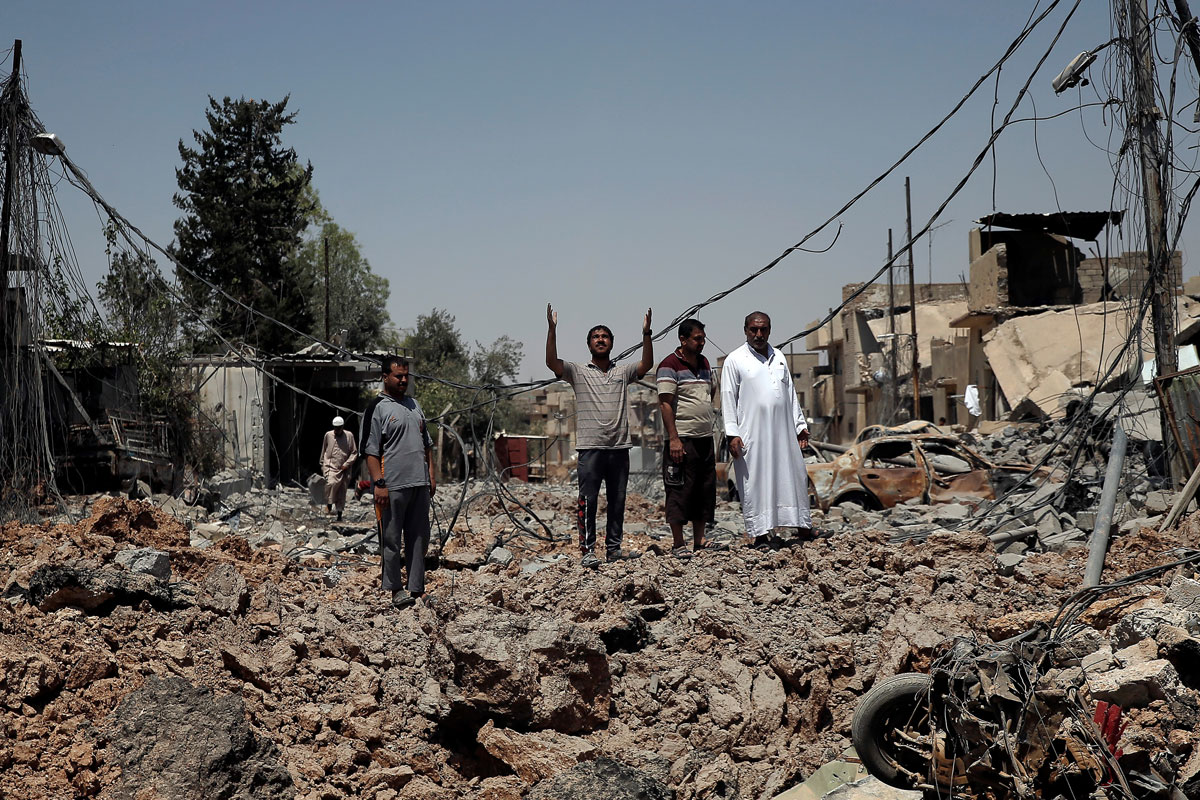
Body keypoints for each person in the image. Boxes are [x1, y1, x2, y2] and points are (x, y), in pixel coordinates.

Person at [546, 303, 653, 567]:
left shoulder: (622, 372)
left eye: (604, 336)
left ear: (611, 343)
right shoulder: (578, 372)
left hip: (619, 448)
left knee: (618, 501)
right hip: (590, 449)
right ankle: (587, 550)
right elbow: (552, 363)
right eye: (596, 337)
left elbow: (646, 364)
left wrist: (647, 334)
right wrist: (552, 330)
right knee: (588, 500)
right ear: (589, 344)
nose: (600, 340)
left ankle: (614, 549)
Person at [720, 311, 812, 547]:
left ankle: (803, 528)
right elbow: (728, 397)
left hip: (783, 434)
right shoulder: (735, 360)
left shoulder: (779, 356)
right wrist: (732, 433)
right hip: (752, 434)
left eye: (763, 329)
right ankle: (760, 535)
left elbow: (790, 394)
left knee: (794, 476)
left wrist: (800, 425)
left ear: (770, 330)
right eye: (754, 329)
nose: (759, 334)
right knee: (756, 482)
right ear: (745, 330)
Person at [363, 355, 436, 610]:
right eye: (398, 376)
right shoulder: (378, 408)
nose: (404, 380)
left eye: (406, 376)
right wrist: (379, 483)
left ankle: (417, 589)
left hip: (419, 484)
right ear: (385, 377)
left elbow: (427, 444)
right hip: (391, 486)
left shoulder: (415, 405)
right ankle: (395, 588)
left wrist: (431, 476)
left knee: (419, 538)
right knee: (391, 540)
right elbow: (370, 452)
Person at [656, 318, 723, 556]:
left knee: (704, 489)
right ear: (683, 340)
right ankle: (678, 544)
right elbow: (665, 404)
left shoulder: (704, 364)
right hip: (682, 439)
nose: (702, 343)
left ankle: (700, 539)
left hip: (705, 437)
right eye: (697, 338)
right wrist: (674, 438)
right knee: (678, 489)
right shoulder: (669, 365)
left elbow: (711, 391)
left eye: (703, 338)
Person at [319, 415, 358, 521]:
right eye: (335, 428)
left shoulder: (349, 436)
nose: (337, 430)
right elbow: (324, 449)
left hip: (344, 468)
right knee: (331, 483)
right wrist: (322, 463)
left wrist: (347, 463)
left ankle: (339, 514)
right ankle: (329, 503)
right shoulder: (328, 435)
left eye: (339, 428)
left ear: (342, 427)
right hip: (330, 466)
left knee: (342, 491)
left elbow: (354, 452)